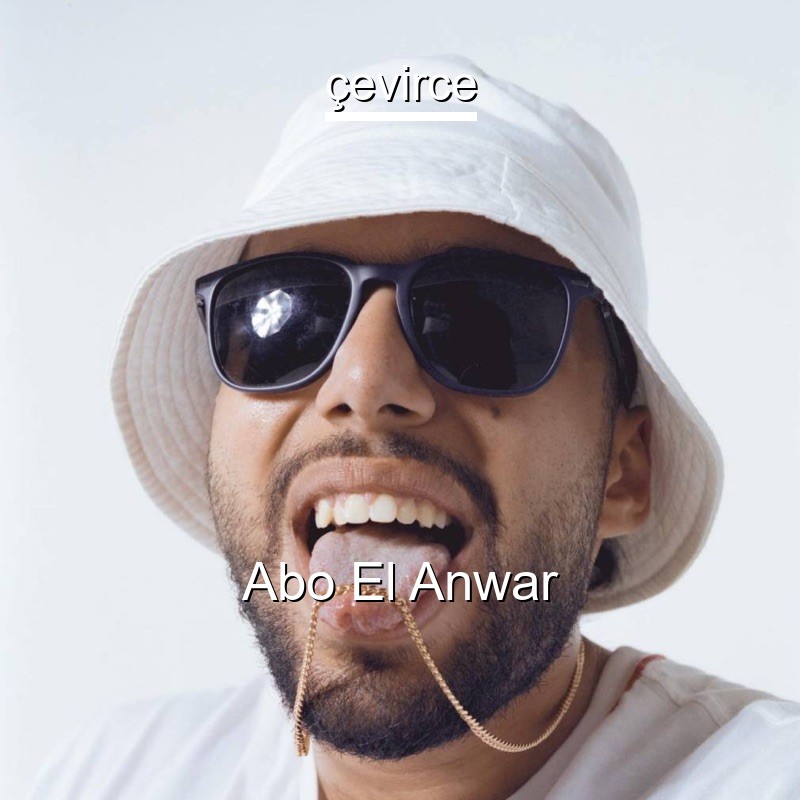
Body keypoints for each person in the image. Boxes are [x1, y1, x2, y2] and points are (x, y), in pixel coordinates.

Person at [29, 56, 800, 799]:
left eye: (481, 320)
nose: (364, 385)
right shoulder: (109, 775)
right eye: (286, 317)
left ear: (623, 472)